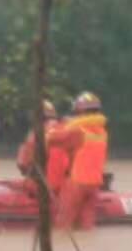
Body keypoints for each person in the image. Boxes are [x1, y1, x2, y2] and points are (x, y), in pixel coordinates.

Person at [47, 91, 108, 231]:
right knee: (86, 226)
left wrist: (56, 126)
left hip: (77, 182)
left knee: (63, 225)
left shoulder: (78, 131)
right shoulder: (102, 132)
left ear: (80, 111)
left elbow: (52, 139)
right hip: (94, 184)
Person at [16, 99, 70, 197]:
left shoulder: (35, 134)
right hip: (67, 185)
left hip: (45, 187)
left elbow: (23, 164)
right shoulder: (65, 128)